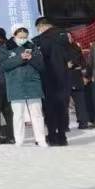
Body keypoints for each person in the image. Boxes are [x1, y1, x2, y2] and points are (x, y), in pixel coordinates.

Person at [2, 25, 46, 145]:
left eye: (25, 37)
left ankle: (41, 139)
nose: (23, 39)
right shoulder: (6, 48)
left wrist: (31, 58)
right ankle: (19, 139)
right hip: (15, 84)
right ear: (14, 35)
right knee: (18, 115)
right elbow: (3, 65)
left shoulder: (32, 47)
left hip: (33, 84)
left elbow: (41, 65)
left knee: (37, 113)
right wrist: (19, 58)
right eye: (20, 37)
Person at [32, 17, 71, 145]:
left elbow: (37, 60)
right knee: (62, 107)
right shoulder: (65, 36)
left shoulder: (39, 40)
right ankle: (62, 136)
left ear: (41, 27)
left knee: (49, 108)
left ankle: (52, 136)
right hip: (63, 77)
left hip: (48, 77)